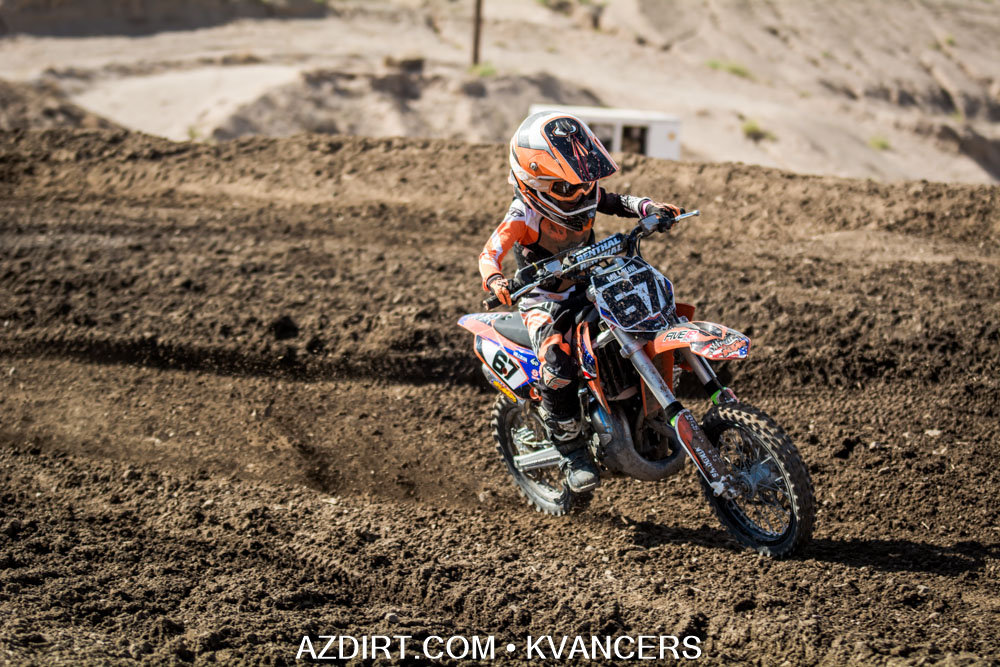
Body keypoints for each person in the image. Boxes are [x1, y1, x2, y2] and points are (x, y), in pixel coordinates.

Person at [478, 111, 683, 493]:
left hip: (593, 281)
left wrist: (648, 208)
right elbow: (491, 252)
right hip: (544, 298)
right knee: (557, 361)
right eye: (567, 185)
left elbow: (617, 201)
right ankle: (572, 452)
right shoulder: (524, 214)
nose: (580, 192)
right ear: (536, 181)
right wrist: (495, 279)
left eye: (583, 181)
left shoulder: (586, 193)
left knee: (646, 310)